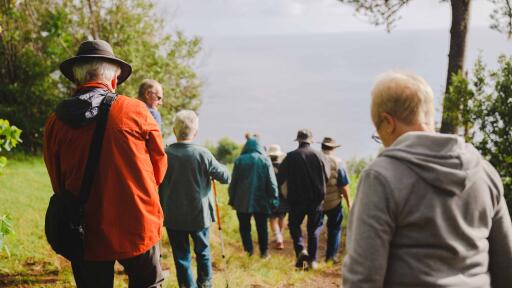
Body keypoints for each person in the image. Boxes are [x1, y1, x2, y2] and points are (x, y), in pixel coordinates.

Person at [342, 71, 512, 287]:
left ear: (388, 122)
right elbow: (506, 266)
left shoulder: (381, 177)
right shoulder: (485, 172)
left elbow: (363, 278)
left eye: (379, 133)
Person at [44, 39, 167, 287]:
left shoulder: (55, 122)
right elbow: (159, 168)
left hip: (84, 230)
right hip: (137, 223)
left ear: (77, 80)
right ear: (113, 80)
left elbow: (57, 181)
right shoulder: (137, 111)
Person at [159, 110, 230, 288]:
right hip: (199, 214)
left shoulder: (164, 154)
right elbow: (225, 177)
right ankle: (205, 284)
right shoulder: (203, 154)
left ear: (174, 131)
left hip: (173, 215)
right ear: (195, 132)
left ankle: (187, 285)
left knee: (181, 255)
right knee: (203, 252)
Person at [277, 129, 329, 270]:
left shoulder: (290, 157)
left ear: (298, 141)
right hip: (316, 200)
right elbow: (327, 176)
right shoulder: (320, 156)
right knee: (313, 230)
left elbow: (280, 178)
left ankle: (301, 250)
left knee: (294, 225)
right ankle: (312, 261)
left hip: (296, 199)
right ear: (310, 140)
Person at [228, 137, 279, 258]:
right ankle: (264, 252)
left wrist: (232, 198)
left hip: (241, 201)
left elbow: (233, 182)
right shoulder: (265, 160)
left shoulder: (239, 161)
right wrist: (274, 197)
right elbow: (272, 182)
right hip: (262, 200)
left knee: (244, 228)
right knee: (262, 227)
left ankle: (248, 251)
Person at [320, 137, 351, 263]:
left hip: (318, 202)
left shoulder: (316, 160)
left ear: (322, 147)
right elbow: (343, 185)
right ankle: (330, 257)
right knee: (334, 229)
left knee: (315, 228)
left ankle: (312, 257)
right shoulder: (339, 162)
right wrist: (350, 203)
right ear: (333, 148)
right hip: (334, 202)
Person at [267, 144, 288, 250]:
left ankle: (278, 239)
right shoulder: (283, 167)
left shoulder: (267, 166)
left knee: (272, 218)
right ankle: (280, 236)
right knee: (281, 217)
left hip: (270, 196)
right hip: (283, 196)